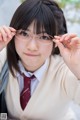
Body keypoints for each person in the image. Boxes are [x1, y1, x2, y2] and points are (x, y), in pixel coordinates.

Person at [0, 0, 80, 120]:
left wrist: (78, 67)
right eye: (24, 33)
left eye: (44, 37)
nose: (32, 47)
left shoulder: (65, 71)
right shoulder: (4, 56)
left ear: (57, 40)